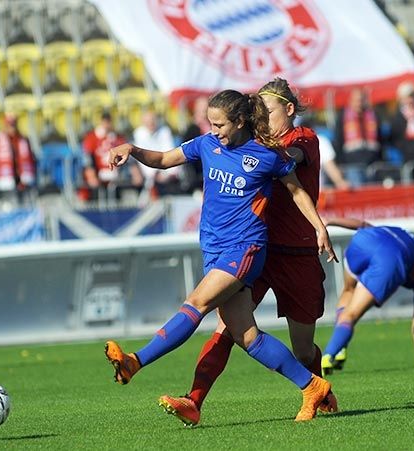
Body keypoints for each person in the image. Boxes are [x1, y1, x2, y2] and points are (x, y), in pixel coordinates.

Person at [104, 89, 338, 422]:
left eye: (220, 125)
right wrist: (132, 149)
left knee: (197, 303)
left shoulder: (266, 155)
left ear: (240, 121)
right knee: (246, 336)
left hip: (245, 249)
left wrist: (319, 226)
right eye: (210, 124)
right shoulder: (207, 145)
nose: (214, 131)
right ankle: (311, 386)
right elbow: (164, 160)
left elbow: (296, 188)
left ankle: (135, 361)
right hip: (214, 249)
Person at [320, 217, 414, 376]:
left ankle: (340, 346)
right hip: (389, 261)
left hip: (362, 243)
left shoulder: (402, 233)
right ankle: (328, 355)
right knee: (351, 315)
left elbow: (363, 225)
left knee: (348, 289)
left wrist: (329, 221)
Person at [81, 111, 142, 201]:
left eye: (109, 122)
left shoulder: (118, 138)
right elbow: (87, 158)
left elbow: (128, 153)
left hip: (117, 175)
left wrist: (136, 173)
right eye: (105, 122)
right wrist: (91, 175)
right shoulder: (91, 137)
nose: (107, 125)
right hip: (99, 174)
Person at [333, 88, 382, 186]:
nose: (359, 103)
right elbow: (338, 141)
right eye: (356, 100)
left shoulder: (374, 115)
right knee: (358, 194)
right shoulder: (343, 116)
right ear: (350, 101)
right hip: (352, 165)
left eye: (361, 100)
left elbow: (380, 139)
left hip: (373, 164)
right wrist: (340, 163)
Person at [132, 109, 182, 197]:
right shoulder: (138, 134)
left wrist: (169, 172)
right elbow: (142, 156)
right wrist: (155, 173)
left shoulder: (164, 131)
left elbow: (169, 150)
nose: (151, 124)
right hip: (150, 174)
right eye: (148, 122)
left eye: (153, 120)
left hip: (165, 170)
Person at [0, 113, 37, 203]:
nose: (12, 128)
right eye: (9, 125)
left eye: (13, 125)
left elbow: (32, 159)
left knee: (26, 204)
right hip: (7, 182)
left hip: (23, 180)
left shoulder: (23, 140)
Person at [181, 96, 211, 193]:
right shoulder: (192, 129)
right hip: (199, 174)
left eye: (206, 109)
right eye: (202, 109)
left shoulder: (211, 126)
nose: (204, 112)